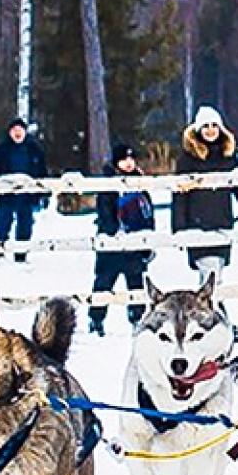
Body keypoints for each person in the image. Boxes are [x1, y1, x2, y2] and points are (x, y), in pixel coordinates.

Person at [171, 106, 238, 283]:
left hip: (222, 222)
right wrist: (179, 228)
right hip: (197, 224)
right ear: (198, 130)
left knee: (216, 275)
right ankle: (212, 309)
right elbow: (180, 196)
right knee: (210, 274)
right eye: (206, 126)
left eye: (214, 125)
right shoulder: (188, 159)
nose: (211, 130)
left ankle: (211, 308)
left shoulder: (227, 157)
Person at [89, 142, 155, 336]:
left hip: (135, 245)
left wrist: (147, 240)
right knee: (104, 283)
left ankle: (137, 318)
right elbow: (104, 211)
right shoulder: (108, 183)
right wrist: (111, 233)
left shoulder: (140, 184)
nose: (128, 163)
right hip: (112, 246)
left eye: (131, 159)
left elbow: (148, 214)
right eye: (124, 159)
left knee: (135, 282)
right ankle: (96, 318)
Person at [0, 117, 48, 262]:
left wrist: (43, 193)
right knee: (2, 223)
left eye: (20, 130)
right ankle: (1, 248)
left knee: (25, 224)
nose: (17, 133)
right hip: (6, 195)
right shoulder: (1, 150)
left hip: (27, 195)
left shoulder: (35, 149)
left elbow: (42, 172)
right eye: (14, 130)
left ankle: (21, 253)